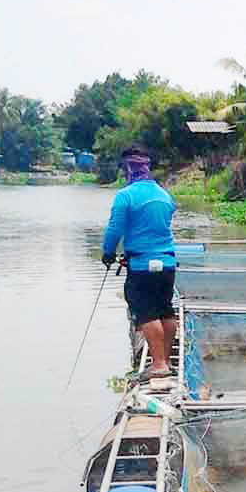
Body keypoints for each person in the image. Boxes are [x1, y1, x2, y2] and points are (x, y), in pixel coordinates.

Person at [102, 147, 177, 382]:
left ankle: (158, 365)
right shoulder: (165, 195)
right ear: (147, 167)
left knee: (146, 312)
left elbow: (115, 229)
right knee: (164, 309)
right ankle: (164, 360)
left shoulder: (126, 196)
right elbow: (156, 227)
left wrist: (107, 253)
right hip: (167, 263)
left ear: (127, 169)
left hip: (142, 265)